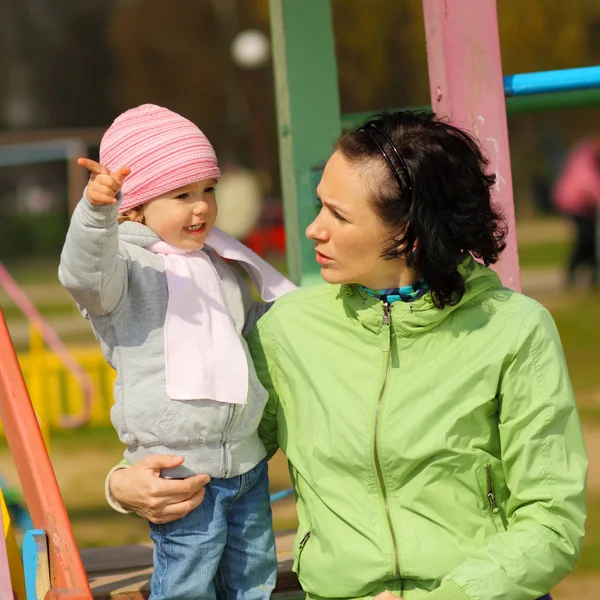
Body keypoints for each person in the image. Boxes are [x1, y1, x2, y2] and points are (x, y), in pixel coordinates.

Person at [106, 111, 587, 600]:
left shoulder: (515, 329)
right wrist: (123, 483)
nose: (314, 229)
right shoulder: (288, 329)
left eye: (338, 215)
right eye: (320, 207)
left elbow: (551, 522)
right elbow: (220, 444)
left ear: (411, 233)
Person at [58, 104, 296, 600]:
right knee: (189, 578)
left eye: (208, 189)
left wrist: (300, 316)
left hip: (246, 461)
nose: (202, 207)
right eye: (182, 195)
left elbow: (248, 327)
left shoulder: (219, 263)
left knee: (254, 574)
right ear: (136, 207)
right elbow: (83, 274)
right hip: (181, 469)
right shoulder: (123, 268)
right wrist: (96, 214)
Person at [552, 137, 600, 287]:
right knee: (585, 238)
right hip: (574, 204)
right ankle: (573, 272)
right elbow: (588, 182)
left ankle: (592, 273)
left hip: (585, 205)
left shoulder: (587, 156)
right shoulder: (585, 158)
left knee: (590, 239)